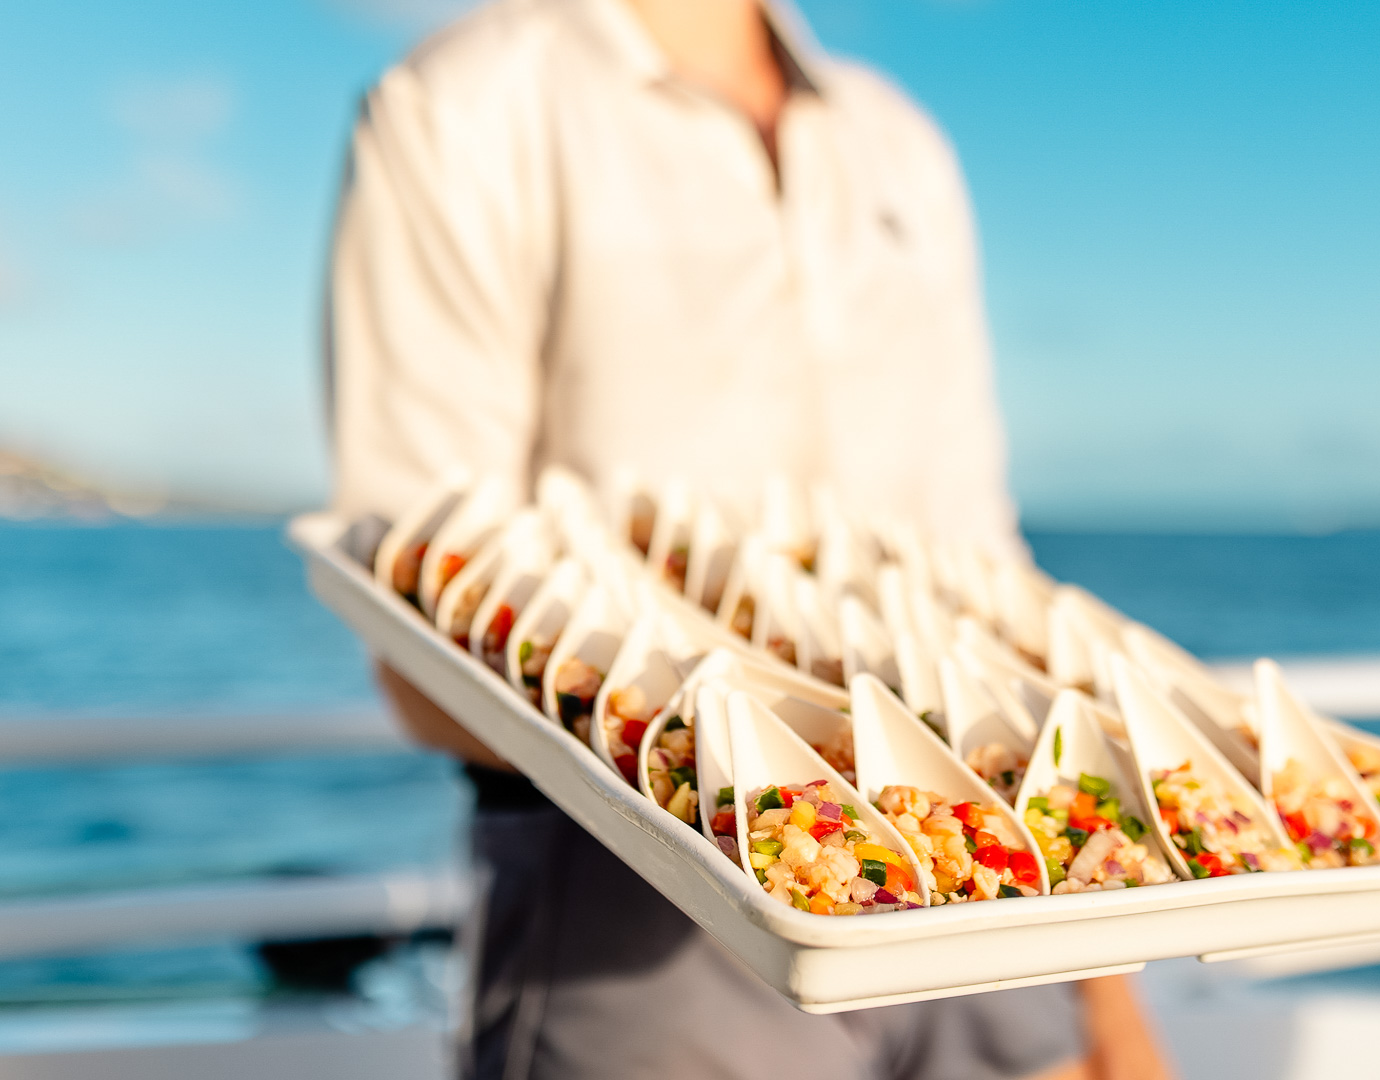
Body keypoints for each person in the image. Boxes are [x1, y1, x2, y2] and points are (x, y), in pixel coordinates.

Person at [325, 0, 1175, 1077]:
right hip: (641, 913)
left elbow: (982, 571)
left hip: (994, 891)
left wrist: (1106, 995)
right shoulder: (466, 106)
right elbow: (421, 607)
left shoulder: (894, 139)